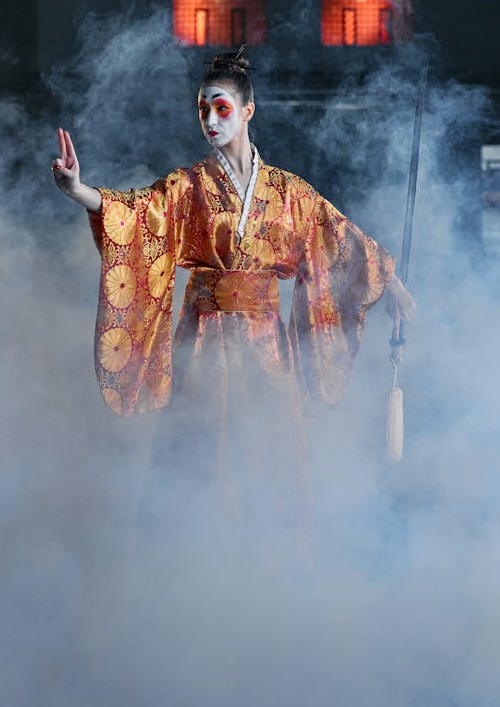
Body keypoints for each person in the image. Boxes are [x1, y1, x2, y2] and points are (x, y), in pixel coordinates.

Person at [52, 49, 414, 560]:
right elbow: (137, 215)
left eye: (221, 108)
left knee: (272, 453)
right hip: (203, 343)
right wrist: (79, 191)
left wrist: (390, 283)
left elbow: (339, 239)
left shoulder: (289, 192)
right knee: (198, 452)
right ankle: (191, 571)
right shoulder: (189, 187)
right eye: (203, 110)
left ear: (248, 111)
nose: (210, 120)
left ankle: (274, 575)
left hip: (268, 349)